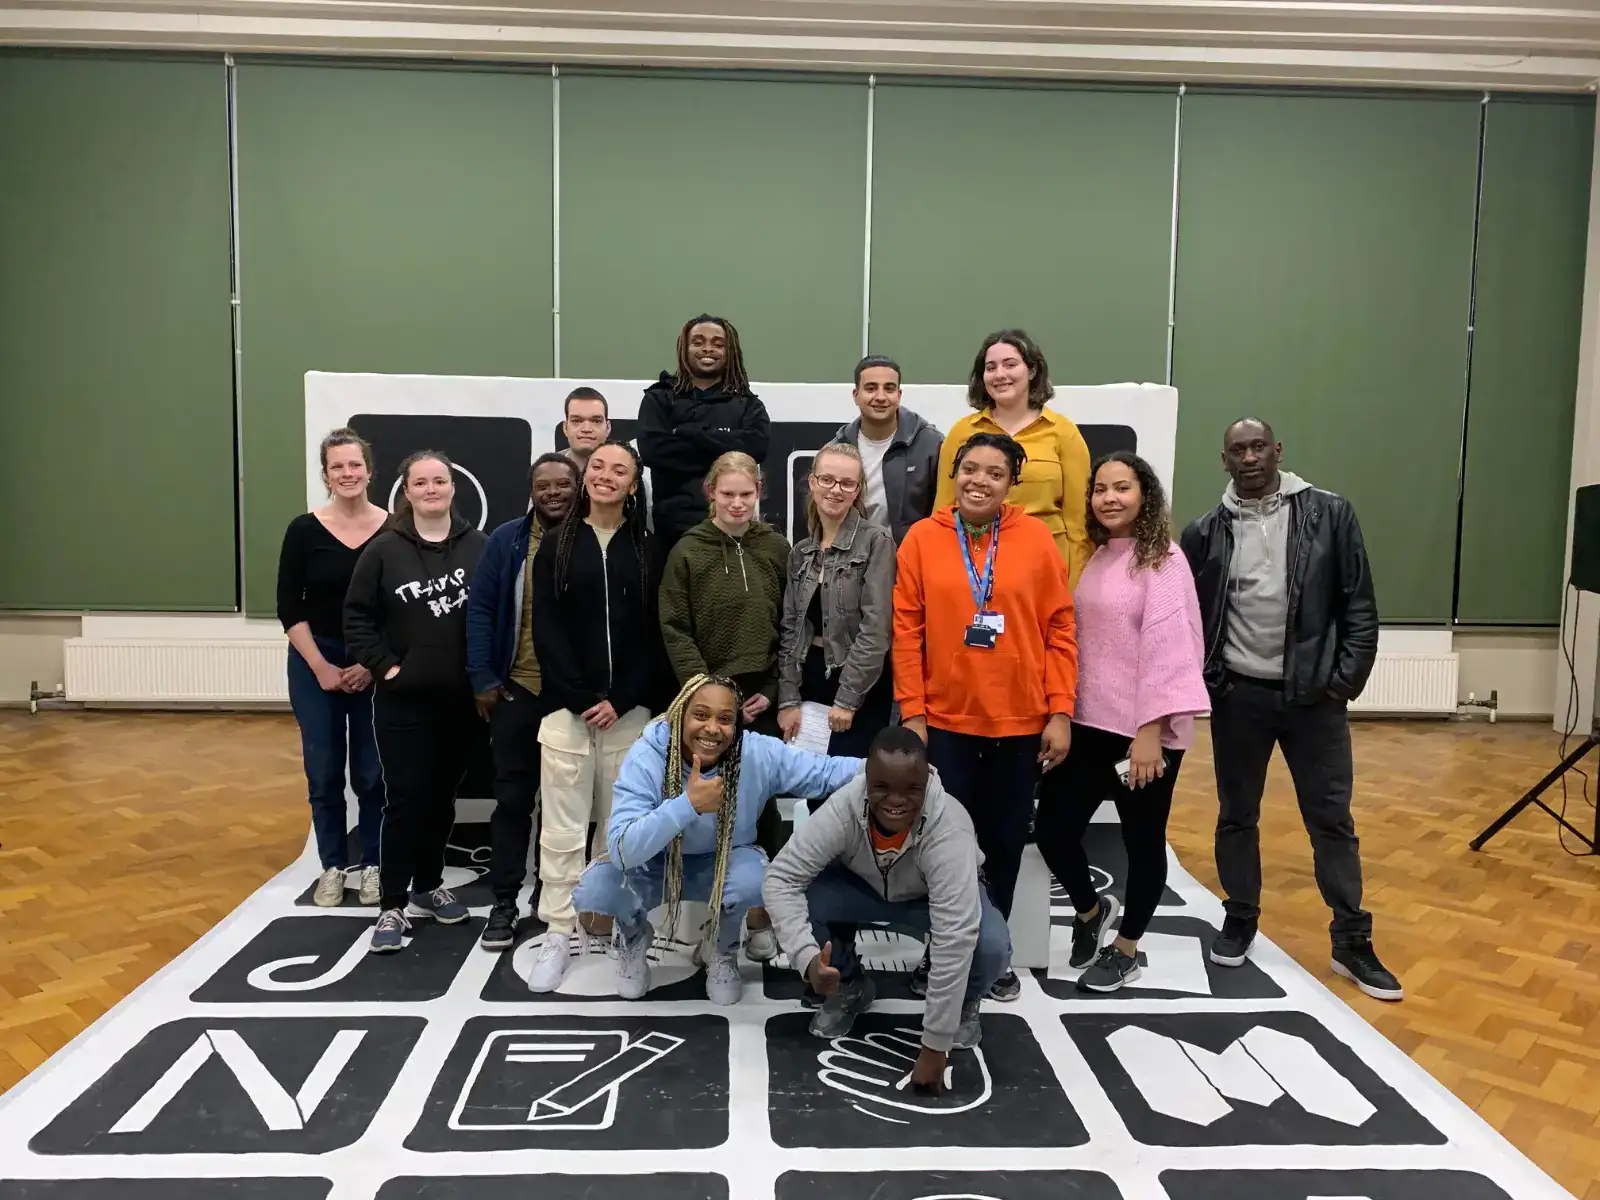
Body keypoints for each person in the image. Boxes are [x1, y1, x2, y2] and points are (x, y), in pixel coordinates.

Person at [1180, 418, 1399, 1000]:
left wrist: (1341, 684)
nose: (1249, 458)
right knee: (1236, 814)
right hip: (1240, 697)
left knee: (1331, 819)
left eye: (1258, 447)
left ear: (1277, 451)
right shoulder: (1204, 532)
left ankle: (1352, 940)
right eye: (1237, 451)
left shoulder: (1330, 514)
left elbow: (1360, 607)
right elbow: (1191, 618)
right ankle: (1241, 915)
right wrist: (1209, 682)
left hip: (1314, 700)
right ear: (1223, 460)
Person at [894, 431, 1077, 1002]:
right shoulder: (923, 539)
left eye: (994, 473)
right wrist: (914, 716)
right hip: (945, 725)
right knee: (943, 850)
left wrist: (1061, 711)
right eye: (970, 469)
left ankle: (990, 952)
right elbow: (906, 633)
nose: (980, 481)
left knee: (1000, 846)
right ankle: (941, 952)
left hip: (1020, 728)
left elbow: (1060, 629)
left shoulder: (1037, 540)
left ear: (1011, 482)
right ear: (955, 473)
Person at [571, 674, 863, 1004]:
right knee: (596, 888)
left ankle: (721, 948)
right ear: (680, 714)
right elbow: (622, 850)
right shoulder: (648, 753)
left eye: (725, 719)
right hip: (657, 864)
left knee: (759, 879)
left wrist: (888, 770)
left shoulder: (755, 752)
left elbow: (824, 772)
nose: (712, 728)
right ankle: (634, 936)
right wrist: (687, 806)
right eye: (701, 715)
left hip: (723, 864)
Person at [1033, 452, 1210, 993]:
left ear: (1145, 495)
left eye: (1122, 488)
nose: (1109, 498)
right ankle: (1090, 912)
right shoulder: (1100, 556)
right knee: (1053, 830)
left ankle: (1127, 947)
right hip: (1089, 723)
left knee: (1142, 841)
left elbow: (1168, 648)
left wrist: (1150, 731)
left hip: (1143, 735)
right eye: (1101, 489)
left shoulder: (1165, 559)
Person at [763, 728, 1011, 1076]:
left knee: (992, 944)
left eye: (912, 789)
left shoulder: (949, 827)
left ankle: (965, 1001)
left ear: (927, 781)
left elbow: (954, 935)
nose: (896, 800)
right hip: (860, 891)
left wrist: (935, 1046)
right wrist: (806, 959)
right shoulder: (844, 807)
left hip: (927, 901)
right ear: (866, 779)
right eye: (882, 787)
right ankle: (848, 983)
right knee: (807, 893)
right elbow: (782, 877)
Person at [525, 440, 670, 991]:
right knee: (562, 833)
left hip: (631, 715)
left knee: (621, 835)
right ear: (587, 478)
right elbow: (547, 633)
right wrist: (582, 696)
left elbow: (657, 635)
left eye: (621, 471)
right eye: (599, 467)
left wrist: (624, 696)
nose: (607, 476)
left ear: (634, 485)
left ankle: (630, 934)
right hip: (568, 713)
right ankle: (560, 932)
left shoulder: (651, 549)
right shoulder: (556, 546)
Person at [344, 450, 487, 953]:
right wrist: (388, 667)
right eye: (421, 482)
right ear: (406, 492)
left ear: (453, 488)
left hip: (460, 703)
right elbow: (356, 618)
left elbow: (493, 617)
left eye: (440, 480)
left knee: (440, 798)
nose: (431, 489)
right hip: (403, 702)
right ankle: (391, 905)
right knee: (404, 799)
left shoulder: (479, 547)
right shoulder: (383, 550)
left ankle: (427, 887)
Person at [658, 450, 791, 958]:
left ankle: (762, 915)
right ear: (710, 493)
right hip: (707, 704)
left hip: (763, 697)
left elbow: (792, 626)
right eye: (727, 493)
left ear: (759, 492)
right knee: (707, 809)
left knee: (765, 808)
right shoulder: (687, 551)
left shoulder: (776, 548)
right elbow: (674, 626)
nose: (737, 503)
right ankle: (704, 917)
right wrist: (708, 696)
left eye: (747, 493)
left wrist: (776, 690)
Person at [465, 453, 582, 952]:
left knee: (573, 808)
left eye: (563, 484)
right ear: (530, 490)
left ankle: (562, 902)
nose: (553, 492)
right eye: (543, 485)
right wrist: (483, 678)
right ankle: (505, 901)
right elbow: (482, 608)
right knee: (513, 801)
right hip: (517, 689)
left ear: (578, 487)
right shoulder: (507, 540)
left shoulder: (594, 538)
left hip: (572, 699)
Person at [277, 428, 390, 908]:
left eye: (354, 465)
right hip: (314, 660)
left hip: (376, 664)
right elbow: (288, 607)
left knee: (372, 773)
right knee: (323, 771)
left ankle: (374, 866)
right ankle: (331, 866)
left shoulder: (394, 527)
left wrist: (369, 662)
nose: (347, 473)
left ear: (369, 470)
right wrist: (321, 666)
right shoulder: (303, 530)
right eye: (337, 467)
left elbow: (399, 608)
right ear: (325, 474)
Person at [933, 330, 1092, 588]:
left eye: (1010, 365)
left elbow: (1079, 526)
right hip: (973, 572)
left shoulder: (1063, 432)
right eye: (991, 367)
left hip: (1044, 573)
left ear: (1031, 371)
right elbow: (944, 511)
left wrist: (1072, 592)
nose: (1000, 375)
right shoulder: (962, 432)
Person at [776, 441, 897, 763]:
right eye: (827, 479)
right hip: (809, 681)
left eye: (847, 483)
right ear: (812, 482)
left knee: (851, 789)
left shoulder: (876, 542)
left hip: (859, 682)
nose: (835, 490)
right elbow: (790, 629)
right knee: (813, 788)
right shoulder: (800, 552)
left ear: (858, 490)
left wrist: (847, 700)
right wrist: (787, 699)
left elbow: (876, 629)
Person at [639, 314, 771, 548]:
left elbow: (757, 447)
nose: (707, 349)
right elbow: (653, 452)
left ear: (729, 350)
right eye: (698, 342)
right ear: (684, 347)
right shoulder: (659, 399)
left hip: (734, 533)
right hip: (673, 532)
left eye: (718, 343)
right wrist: (726, 451)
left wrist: (692, 433)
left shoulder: (749, 404)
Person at [833, 355, 943, 544]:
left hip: (911, 560)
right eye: (871, 388)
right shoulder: (837, 449)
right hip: (853, 563)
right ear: (855, 395)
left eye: (889, 389)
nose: (881, 397)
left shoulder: (932, 444)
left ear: (899, 396)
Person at [561, 387, 612, 474]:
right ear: (565, 427)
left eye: (596, 421)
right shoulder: (546, 472)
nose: (586, 429)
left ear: (608, 428)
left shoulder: (629, 474)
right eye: (577, 421)